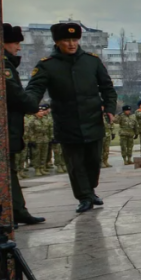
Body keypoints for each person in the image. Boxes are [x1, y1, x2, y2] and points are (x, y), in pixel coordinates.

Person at [25, 22, 117, 213]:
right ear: (57, 42)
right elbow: (35, 89)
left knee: (93, 160)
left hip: (92, 119)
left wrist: (109, 108)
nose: (72, 44)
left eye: (74, 39)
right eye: (66, 40)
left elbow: (107, 87)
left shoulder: (92, 61)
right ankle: (84, 197)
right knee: (75, 163)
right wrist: (29, 103)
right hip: (67, 122)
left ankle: (90, 189)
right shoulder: (47, 66)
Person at [3, 24, 44, 225]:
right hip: (5, 129)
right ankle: (15, 212)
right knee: (6, 171)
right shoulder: (2, 65)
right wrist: (33, 96)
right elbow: (18, 97)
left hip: (9, 128)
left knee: (9, 171)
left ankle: (17, 210)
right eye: (16, 43)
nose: (18, 48)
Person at [28, 105, 53, 176]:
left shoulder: (45, 119)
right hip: (36, 140)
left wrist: (50, 137)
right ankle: (37, 169)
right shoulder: (32, 120)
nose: (41, 113)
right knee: (36, 155)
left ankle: (42, 167)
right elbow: (30, 131)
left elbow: (49, 129)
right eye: (40, 111)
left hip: (45, 139)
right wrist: (32, 140)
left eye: (42, 111)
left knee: (44, 154)